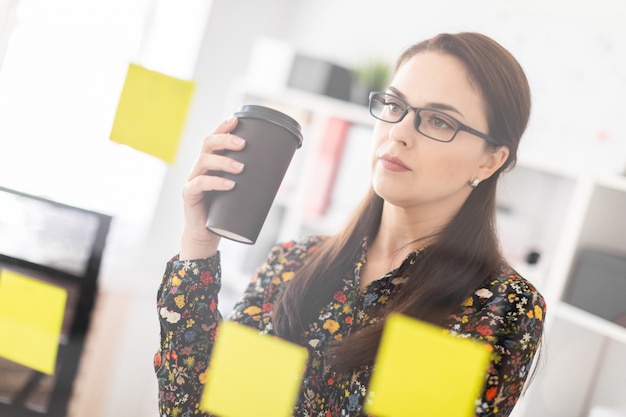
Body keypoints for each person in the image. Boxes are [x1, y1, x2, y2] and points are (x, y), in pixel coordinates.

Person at [154, 32, 546, 417]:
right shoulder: (295, 262)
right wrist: (198, 245)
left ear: (489, 161)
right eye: (395, 106)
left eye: (439, 122)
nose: (398, 133)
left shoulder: (498, 308)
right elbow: (201, 410)